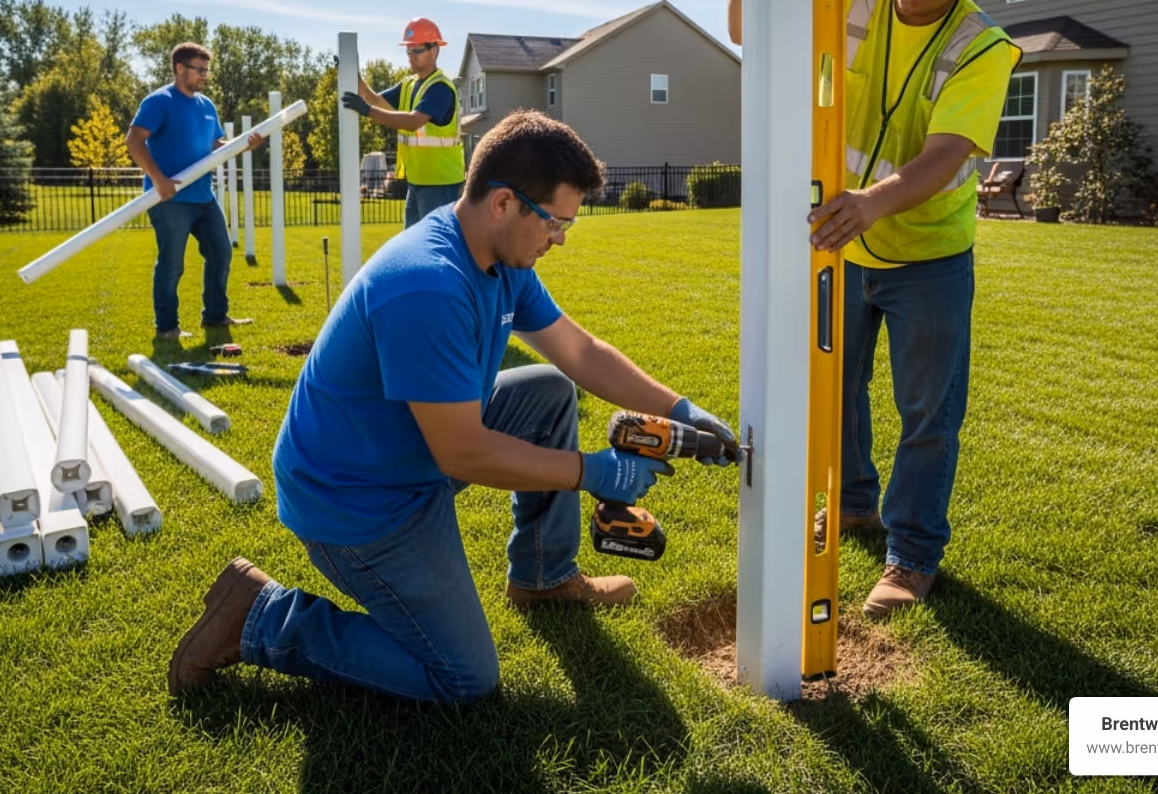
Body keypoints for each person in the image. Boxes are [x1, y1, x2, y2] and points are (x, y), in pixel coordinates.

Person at [168, 111, 737, 702]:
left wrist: (682, 409)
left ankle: (543, 577)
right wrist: (595, 471)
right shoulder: (429, 284)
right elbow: (464, 451)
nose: (560, 238)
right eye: (556, 222)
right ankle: (258, 616)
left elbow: (581, 352)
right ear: (503, 204)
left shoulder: (498, 258)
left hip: (403, 456)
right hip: (357, 500)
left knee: (547, 391)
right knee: (463, 676)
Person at [725, 0, 1022, 619]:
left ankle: (911, 554)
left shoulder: (984, 48)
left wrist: (871, 202)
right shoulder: (848, 2)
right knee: (836, 391)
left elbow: (946, 153)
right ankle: (853, 504)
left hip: (929, 256)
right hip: (848, 244)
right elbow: (746, 32)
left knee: (928, 414)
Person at [126, 41, 262, 340]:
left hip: (203, 195)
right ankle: (167, 328)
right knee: (172, 264)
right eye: (199, 70)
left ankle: (214, 316)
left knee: (221, 252)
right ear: (179, 68)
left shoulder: (206, 105)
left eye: (206, 71)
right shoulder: (159, 101)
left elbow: (215, 146)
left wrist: (243, 145)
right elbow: (134, 141)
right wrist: (159, 179)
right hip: (169, 198)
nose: (204, 76)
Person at [342, 18, 465, 228]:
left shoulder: (440, 88)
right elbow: (376, 99)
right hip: (418, 182)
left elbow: (413, 122)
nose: (411, 57)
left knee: (433, 246)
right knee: (414, 244)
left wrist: (368, 111)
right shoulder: (409, 84)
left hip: (440, 183)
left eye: (416, 51)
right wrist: (354, 75)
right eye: (408, 52)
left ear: (434, 50)